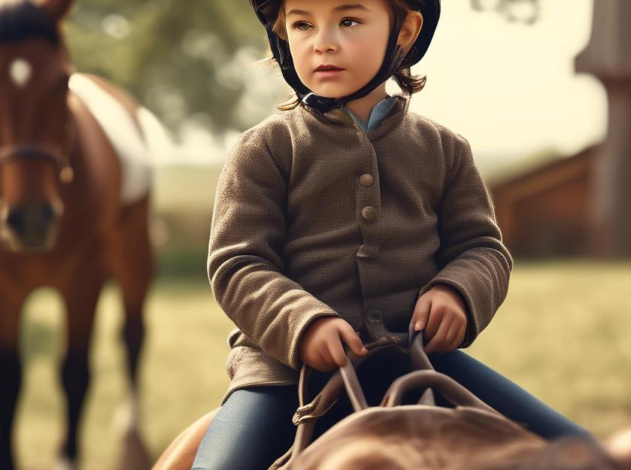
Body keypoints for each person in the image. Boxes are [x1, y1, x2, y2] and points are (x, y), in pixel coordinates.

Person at [193, 1, 592, 469]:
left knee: (581, 452)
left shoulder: (445, 150)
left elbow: (483, 248)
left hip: (417, 357)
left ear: (405, 30)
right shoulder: (263, 150)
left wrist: (457, 292)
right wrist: (304, 323)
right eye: (302, 24)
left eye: (348, 21)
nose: (322, 40)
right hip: (282, 374)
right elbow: (237, 264)